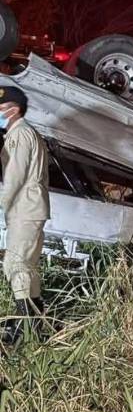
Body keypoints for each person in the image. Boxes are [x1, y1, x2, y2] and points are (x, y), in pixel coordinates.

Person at [0, 86, 49, 342]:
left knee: (15, 264)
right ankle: (36, 326)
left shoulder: (20, 135)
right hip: (30, 208)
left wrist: (1, 205)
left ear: (13, 109)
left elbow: (13, 177)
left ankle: (24, 329)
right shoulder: (27, 133)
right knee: (27, 267)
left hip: (24, 208)